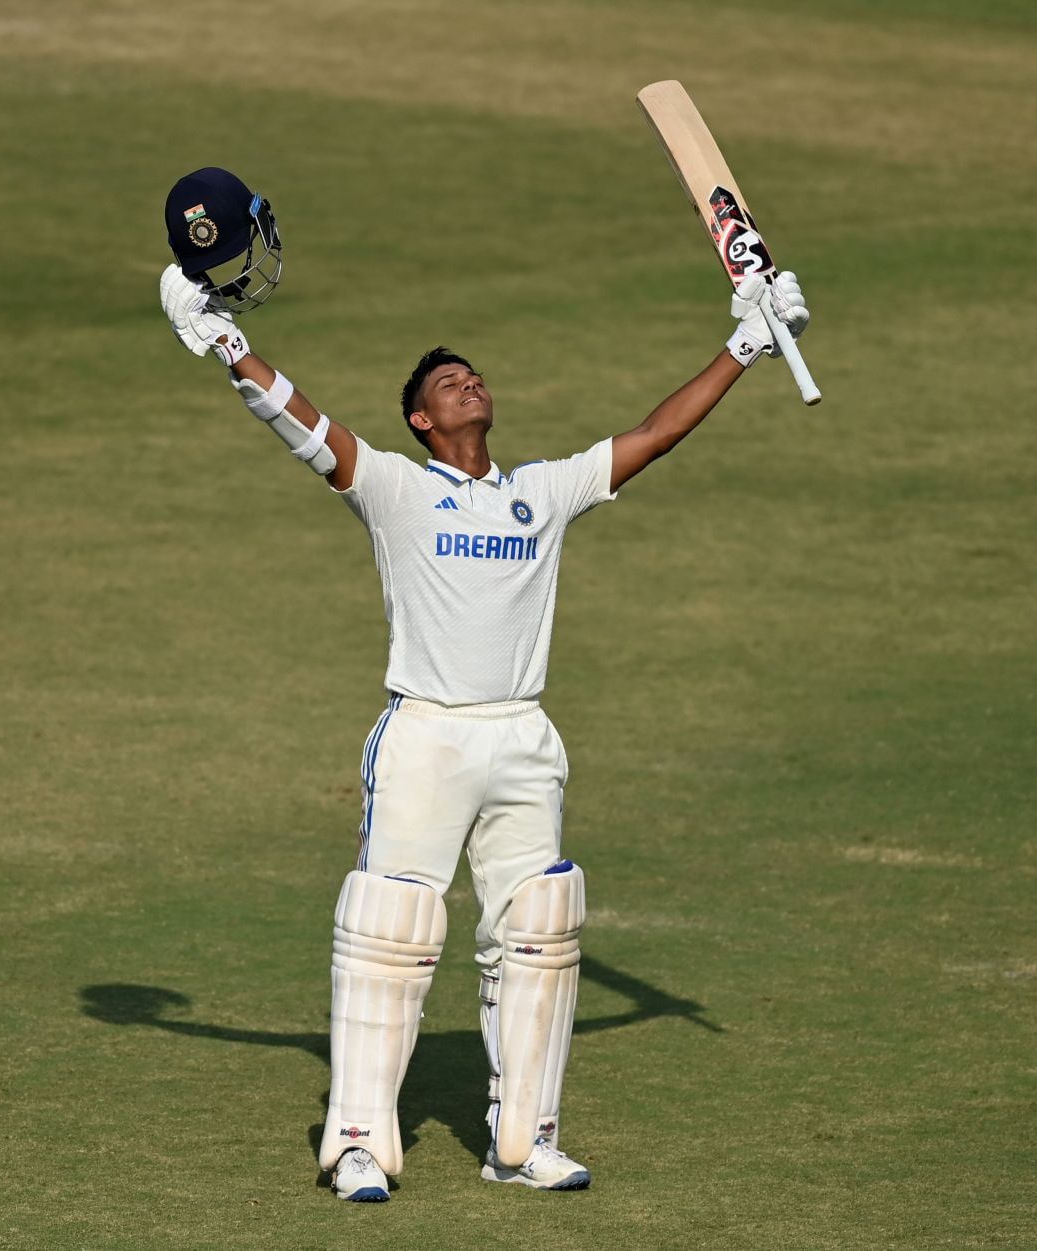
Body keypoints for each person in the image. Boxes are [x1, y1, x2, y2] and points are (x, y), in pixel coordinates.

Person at [158, 168, 807, 1203]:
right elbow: (308, 430)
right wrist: (225, 345)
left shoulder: (538, 495)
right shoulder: (397, 491)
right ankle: (360, 1142)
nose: (467, 383)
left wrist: (747, 341)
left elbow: (652, 435)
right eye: (445, 383)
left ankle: (524, 1140)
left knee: (541, 932)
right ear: (418, 419)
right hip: (426, 737)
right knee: (391, 933)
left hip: (522, 738)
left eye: (473, 375)